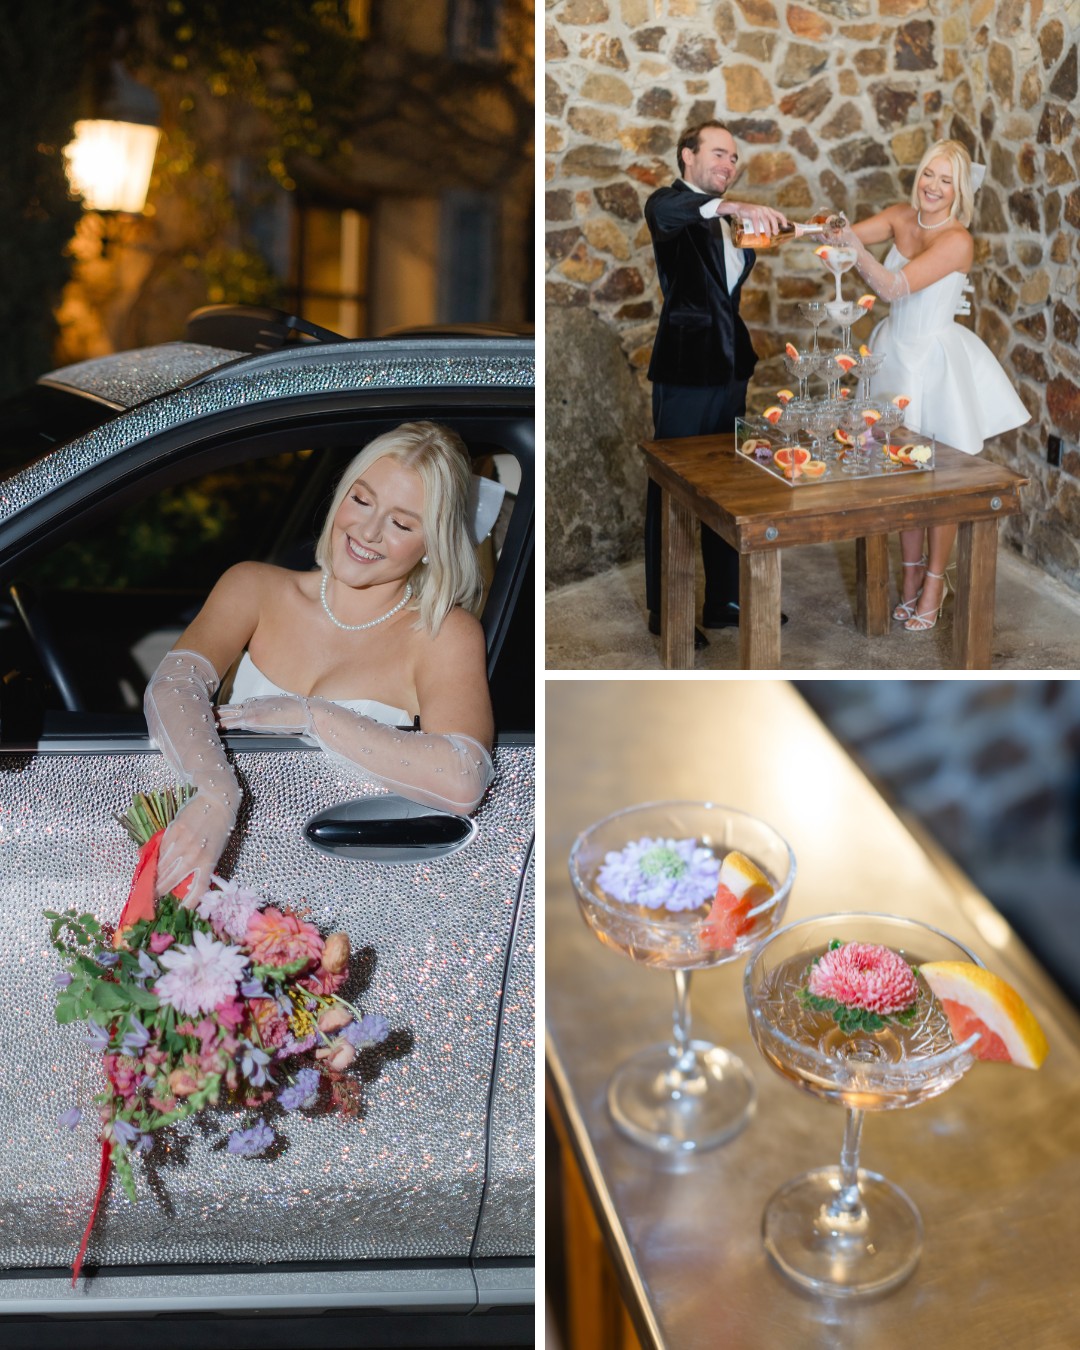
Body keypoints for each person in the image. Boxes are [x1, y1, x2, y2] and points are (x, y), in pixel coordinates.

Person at [144, 421, 495, 903]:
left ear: (432, 543)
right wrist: (214, 793)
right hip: (213, 864)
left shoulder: (443, 635)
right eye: (362, 499)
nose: (367, 531)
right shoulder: (254, 587)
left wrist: (311, 716)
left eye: (401, 523)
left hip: (342, 890)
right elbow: (172, 686)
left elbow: (463, 778)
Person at [824, 139, 1029, 632]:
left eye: (946, 180)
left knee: (938, 482)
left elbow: (894, 287)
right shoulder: (900, 216)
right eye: (928, 175)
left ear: (959, 191)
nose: (933, 187)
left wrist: (853, 252)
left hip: (934, 363)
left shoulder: (958, 240)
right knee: (902, 476)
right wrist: (830, 230)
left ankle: (936, 582)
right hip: (893, 354)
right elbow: (844, 236)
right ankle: (910, 574)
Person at [643, 120, 791, 644]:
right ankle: (669, 611)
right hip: (685, 373)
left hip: (730, 372)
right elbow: (667, 212)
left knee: (728, 488)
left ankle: (725, 599)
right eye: (720, 154)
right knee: (676, 493)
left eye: (734, 160)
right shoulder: (670, 204)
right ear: (688, 156)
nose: (729, 166)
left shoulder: (726, 220)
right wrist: (734, 206)